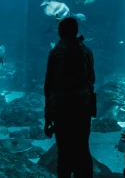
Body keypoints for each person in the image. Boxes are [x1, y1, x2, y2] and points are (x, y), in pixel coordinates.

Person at [44, 16, 95, 178]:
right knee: (82, 148)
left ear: (60, 32)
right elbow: (91, 79)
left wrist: (48, 117)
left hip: (61, 108)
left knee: (64, 150)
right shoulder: (86, 51)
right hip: (83, 107)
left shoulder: (56, 53)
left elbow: (49, 85)